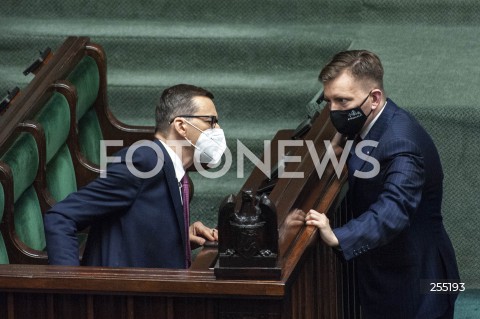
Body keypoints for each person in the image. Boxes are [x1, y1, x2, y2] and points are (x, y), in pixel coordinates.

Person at [305, 50, 460, 319]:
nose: (333, 111)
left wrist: (339, 235)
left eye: (342, 101)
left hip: (419, 281)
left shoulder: (402, 143)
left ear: (374, 98)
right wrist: (342, 143)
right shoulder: (371, 120)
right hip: (388, 271)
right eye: (328, 100)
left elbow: (394, 209)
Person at [44, 84, 224, 268]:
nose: (217, 129)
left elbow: (140, 223)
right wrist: (69, 286)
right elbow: (61, 217)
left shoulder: (171, 169)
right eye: (211, 121)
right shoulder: (143, 161)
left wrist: (180, 237)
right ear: (181, 126)